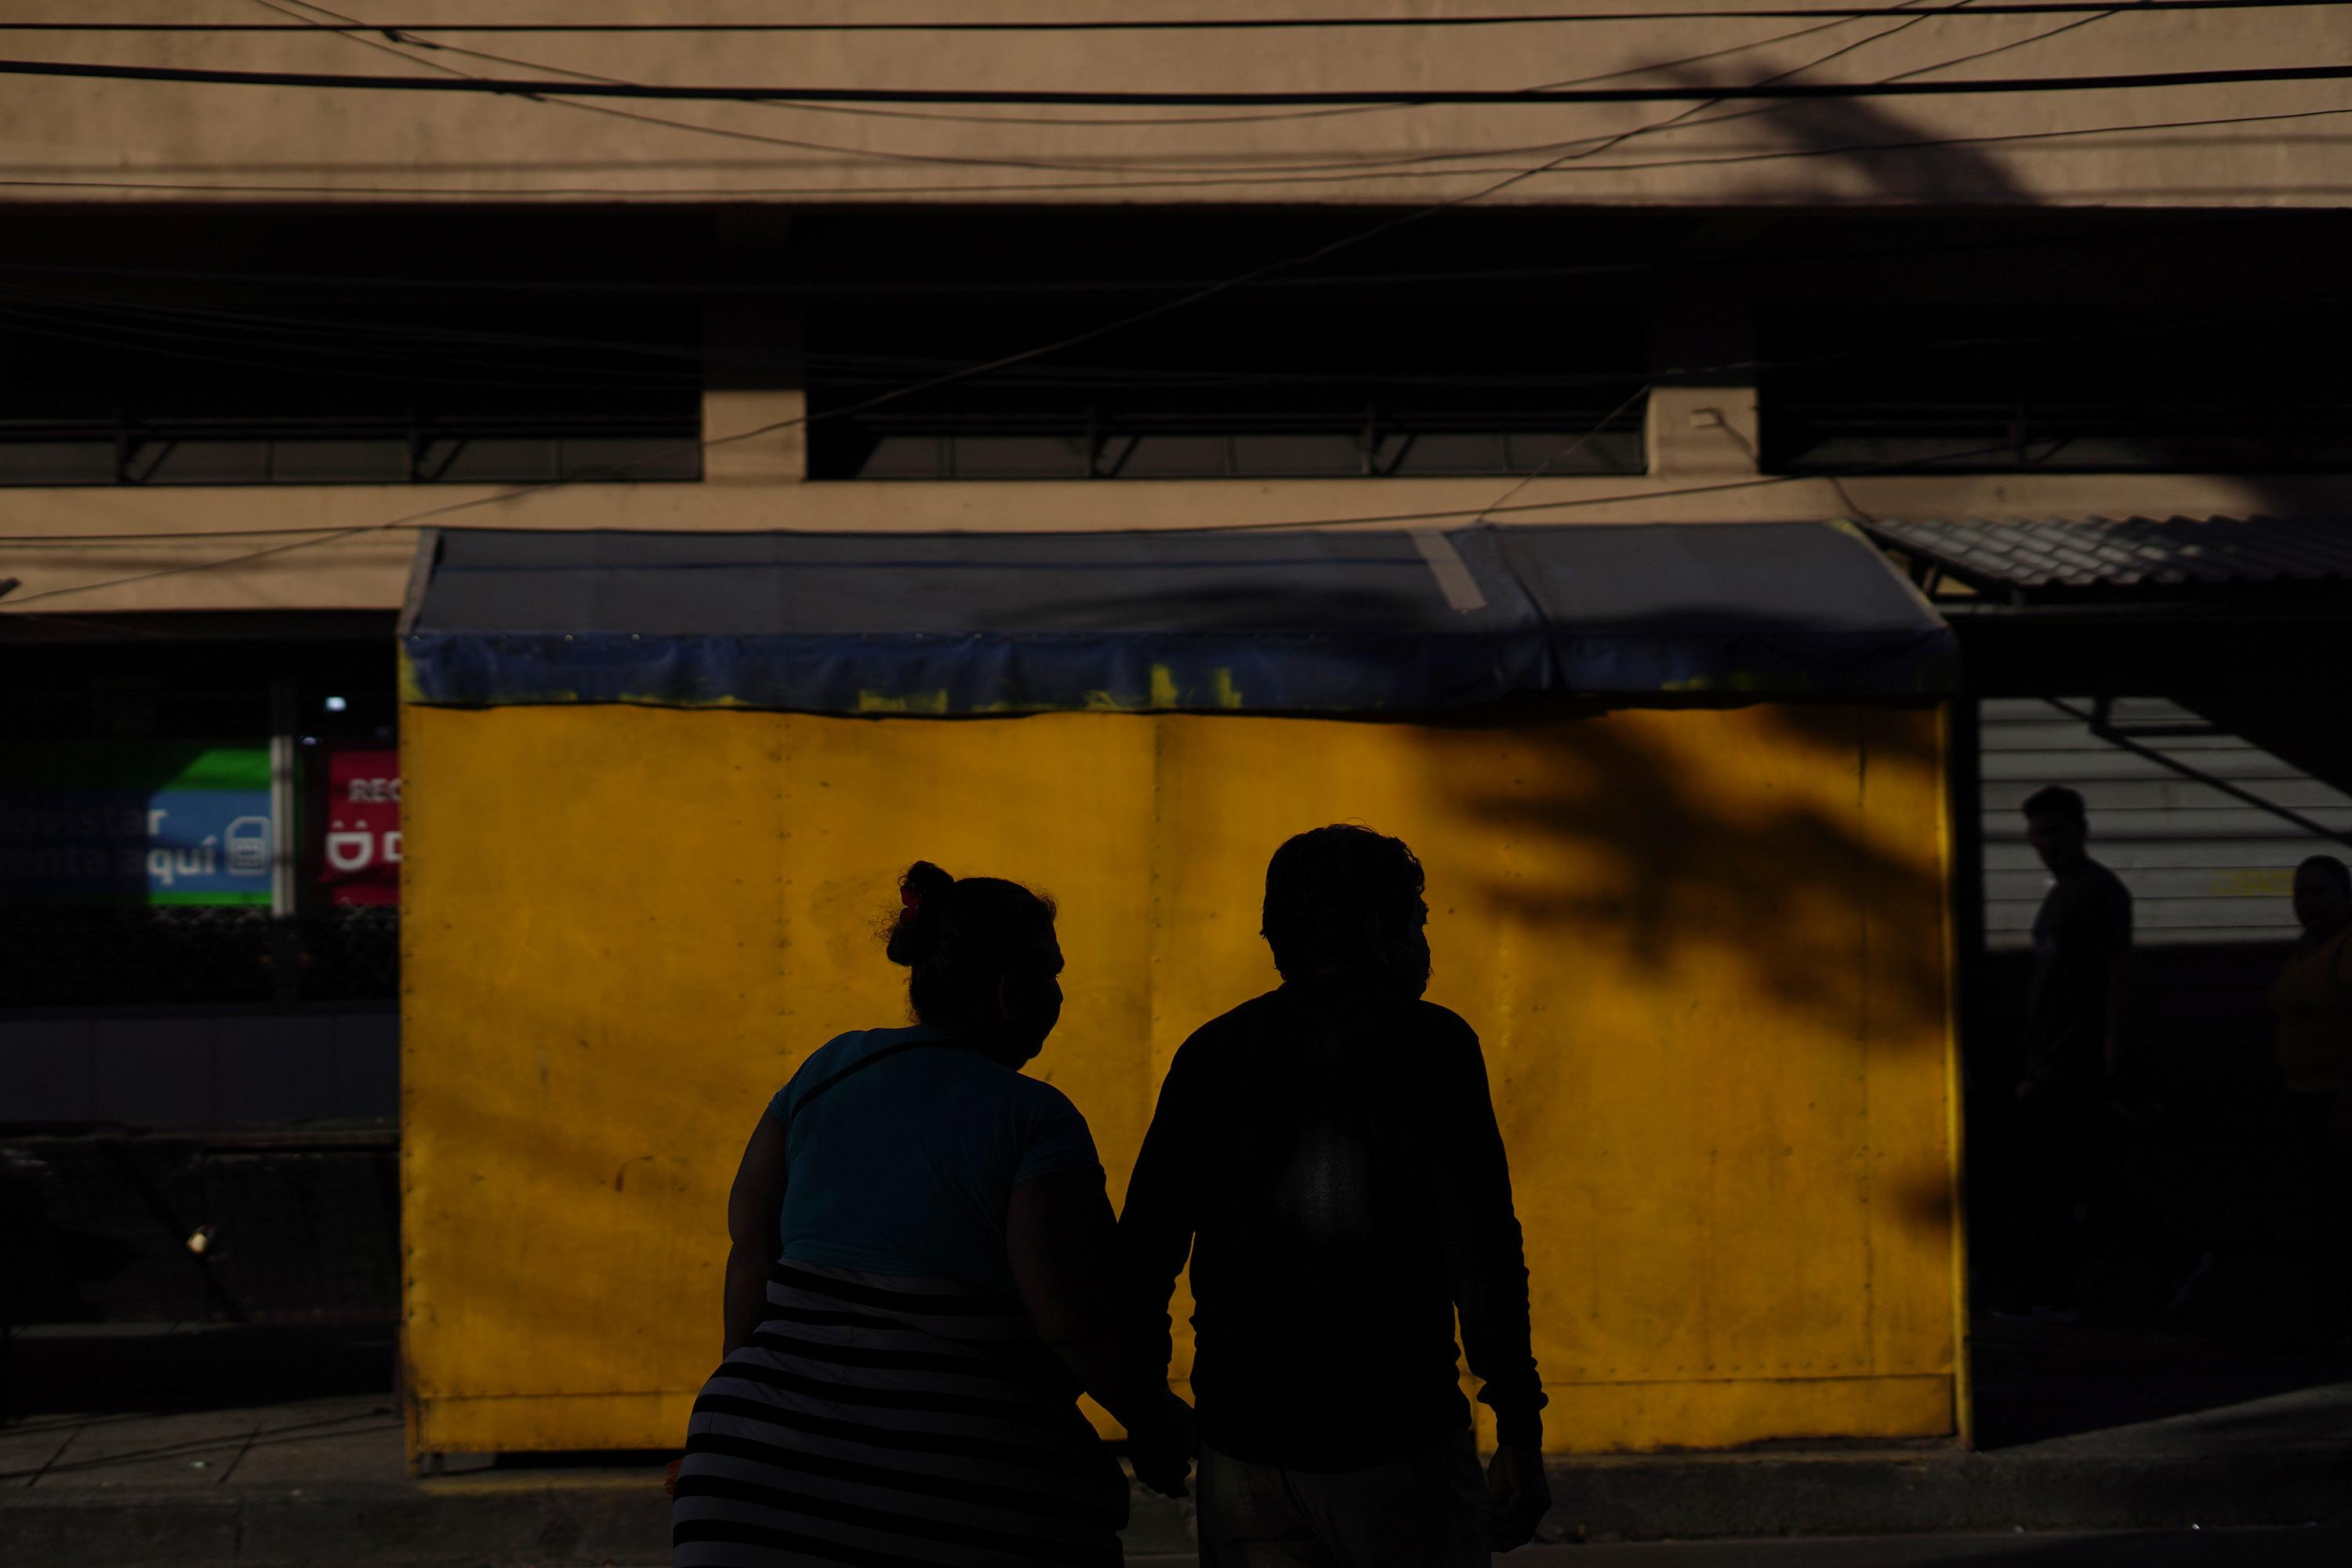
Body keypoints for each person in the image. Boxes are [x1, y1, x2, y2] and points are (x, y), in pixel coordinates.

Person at [672, 861, 1192, 1568]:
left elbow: (750, 1247)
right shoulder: (1035, 1119)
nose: (1062, 994)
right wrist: (1153, 1426)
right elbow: (1072, 1319)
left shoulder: (829, 1071)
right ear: (1013, 990)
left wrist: (754, 1411)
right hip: (948, 1484)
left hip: (741, 1473)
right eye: (1054, 974)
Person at [1120, 824, 1551, 1566]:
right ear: (1381, 930)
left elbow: (1145, 1254)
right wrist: (1518, 1425)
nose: (1426, 943)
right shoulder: (1434, 1046)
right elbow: (1482, 1251)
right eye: (1419, 919)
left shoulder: (1211, 1054)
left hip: (1243, 1450)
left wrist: (1147, 1411)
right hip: (1395, 1444)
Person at [2001, 784, 2134, 1321]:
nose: (2048, 841)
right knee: (2058, 1180)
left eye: (2058, 830)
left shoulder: (2097, 892)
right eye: (2040, 831)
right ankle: (2057, 1291)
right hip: (2053, 1060)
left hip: (2075, 1064)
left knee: (2057, 1181)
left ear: (2081, 830)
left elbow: (2117, 976)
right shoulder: (2064, 892)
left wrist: (2111, 1050)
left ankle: (2055, 1295)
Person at [2268, 853, 2352, 1337]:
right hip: (2302, 1095)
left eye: (2319, 892)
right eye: (2300, 893)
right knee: (2313, 1212)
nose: (2307, 903)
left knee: (2335, 1214)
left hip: (2335, 1099)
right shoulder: (2305, 950)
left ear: (2345, 898)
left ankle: (2334, 1321)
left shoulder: (2346, 948)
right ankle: (2320, 1315)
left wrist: (2346, 1104)